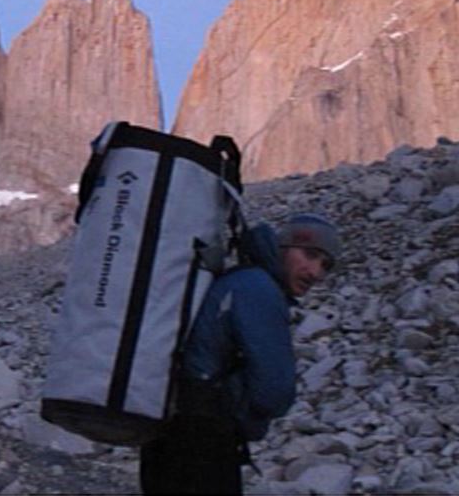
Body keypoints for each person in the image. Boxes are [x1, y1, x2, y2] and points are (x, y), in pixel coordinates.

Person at [140, 212, 341, 495]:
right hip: (201, 439)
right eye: (309, 254)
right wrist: (244, 414)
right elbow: (274, 391)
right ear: (282, 246)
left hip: (166, 430)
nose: (315, 272)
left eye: (325, 265)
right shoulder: (259, 289)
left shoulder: (240, 279)